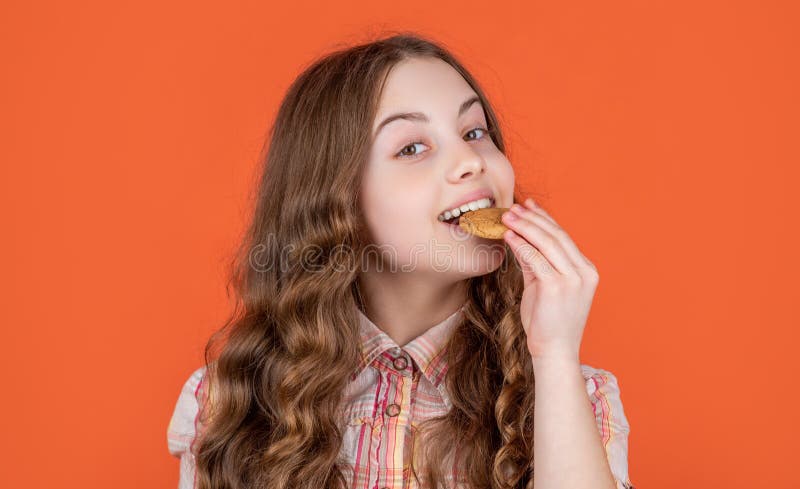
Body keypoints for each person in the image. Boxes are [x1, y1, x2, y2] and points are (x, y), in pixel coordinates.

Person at [166, 32, 634, 489]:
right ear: (337, 198)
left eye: (475, 131)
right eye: (412, 147)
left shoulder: (574, 399)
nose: (471, 159)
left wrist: (554, 355)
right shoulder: (227, 404)